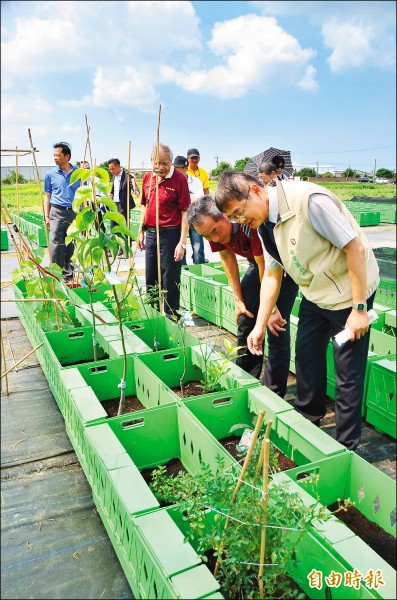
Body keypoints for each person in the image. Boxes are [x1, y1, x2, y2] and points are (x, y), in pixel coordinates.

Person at [215, 171, 379, 451]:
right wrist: (259, 325)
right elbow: (272, 274)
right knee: (306, 355)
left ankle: (345, 447)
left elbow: (356, 248)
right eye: (235, 218)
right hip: (316, 292)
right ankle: (308, 418)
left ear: (255, 190)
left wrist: (360, 308)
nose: (241, 221)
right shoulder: (264, 224)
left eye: (240, 212)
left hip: (348, 293)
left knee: (347, 371)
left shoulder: (309, 201)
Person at [187, 195, 265, 379]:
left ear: (224, 215)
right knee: (246, 317)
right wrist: (238, 300)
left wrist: (271, 310)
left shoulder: (249, 226)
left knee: (276, 324)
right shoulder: (210, 231)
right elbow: (228, 258)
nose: (214, 238)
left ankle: (274, 391)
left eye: (215, 231)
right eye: (206, 236)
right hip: (257, 263)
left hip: (278, 265)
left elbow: (267, 268)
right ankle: (247, 378)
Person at [137, 144, 190, 318]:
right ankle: (152, 314)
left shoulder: (179, 179)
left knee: (170, 276)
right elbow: (144, 205)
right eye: (156, 162)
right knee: (150, 276)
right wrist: (140, 231)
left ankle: (171, 314)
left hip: (171, 234)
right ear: (152, 161)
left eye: (165, 163)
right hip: (151, 233)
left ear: (171, 162)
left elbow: (185, 212)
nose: (160, 166)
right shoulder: (147, 178)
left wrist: (182, 242)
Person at [44, 142, 80, 283]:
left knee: (71, 245)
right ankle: (56, 276)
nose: (55, 158)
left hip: (74, 213)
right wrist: (47, 216)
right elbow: (47, 196)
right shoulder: (50, 174)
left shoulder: (78, 173)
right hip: (57, 212)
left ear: (67, 156)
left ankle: (69, 276)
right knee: (56, 245)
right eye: (54, 155)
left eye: (58, 155)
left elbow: (83, 195)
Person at [173, 155, 205, 264]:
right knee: (181, 247)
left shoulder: (196, 182)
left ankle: (199, 270)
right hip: (179, 220)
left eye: (178, 169)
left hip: (194, 219)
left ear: (186, 168)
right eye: (174, 169)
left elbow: (198, 200)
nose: (176, 171)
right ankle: (183, 273)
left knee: (198, 249)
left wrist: (184, 204)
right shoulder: (173, 183)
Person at [108, 158, 136, 256]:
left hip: (124, 205)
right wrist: (110, 194)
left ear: (118, 166)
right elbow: (113, 189)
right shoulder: (114, 177)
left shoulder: (128, 177)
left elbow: (135, 188)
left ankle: (127, 250)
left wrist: (136, 190)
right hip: (114, 205)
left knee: (125, 228)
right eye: (110, 169)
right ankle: (117, 249)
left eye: (113, 169)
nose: (111, 171)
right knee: (114, 228)